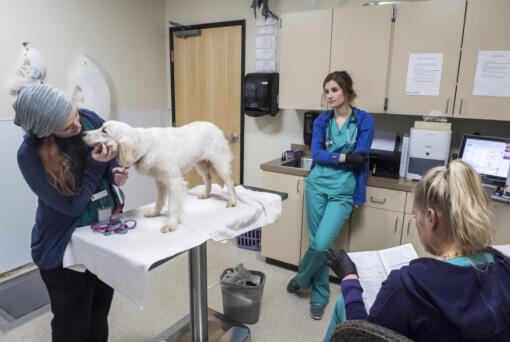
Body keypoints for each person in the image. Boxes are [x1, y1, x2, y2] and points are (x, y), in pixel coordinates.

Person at [324, 159, 510, 342]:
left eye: (415, 215)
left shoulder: (408, 286)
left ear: (431, 218)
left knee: (344, 303)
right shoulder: (504, 268)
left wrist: (350, 280)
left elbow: (364, 336)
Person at [13, 82, 129, 342]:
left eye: (74, 114)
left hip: (101, 237)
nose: (78, 126)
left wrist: (114, 171)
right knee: (73, 324)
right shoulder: (30, 154)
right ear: (46, 132)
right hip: (64, 248)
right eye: (68, 127)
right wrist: (95, 166)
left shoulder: (88, 118)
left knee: (99, 314)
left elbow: (112, 155)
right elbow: (72, 207)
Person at [286, 71, 375, 320]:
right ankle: (320, 295)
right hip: (316, 186)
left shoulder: (364, 121)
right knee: (318, 242)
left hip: (343, 192)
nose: (329, 96)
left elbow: (362, 157)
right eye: (326, 91)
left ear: (347, 90)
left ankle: (302, 278)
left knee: (321, 243)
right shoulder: (321, 122)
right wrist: (344, 157)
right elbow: (317, 153)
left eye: (334, 90)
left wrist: (335, 157)